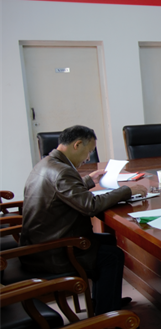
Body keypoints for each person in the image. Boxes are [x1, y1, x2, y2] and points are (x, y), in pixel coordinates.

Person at [21, 125, 148, 314]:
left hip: (40, 242)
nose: (88, 157)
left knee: (107, 240)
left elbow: (63, 191)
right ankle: (108, 316)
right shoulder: (62, 171)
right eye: (88, 151)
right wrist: (126, 191)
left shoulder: (47, 163)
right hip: (52, 252)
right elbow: (90, 206)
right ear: (77, 144)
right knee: (113, 255)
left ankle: (104, 301)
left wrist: (88, 180)